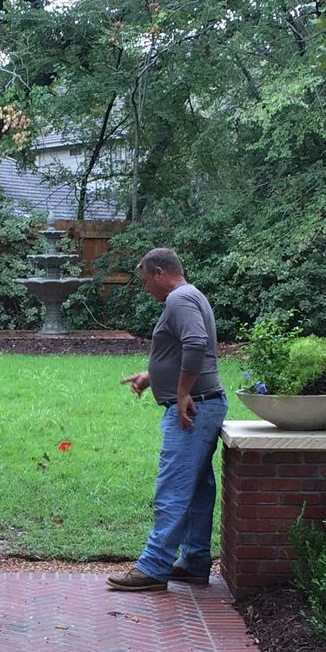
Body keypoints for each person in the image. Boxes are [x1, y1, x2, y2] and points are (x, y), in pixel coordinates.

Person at [110, 248, 227, 591]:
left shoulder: (179, 299)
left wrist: (182, 392)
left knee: (172, 488)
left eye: (146, 280)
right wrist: (153, 375)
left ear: (160, 272)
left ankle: (153, 567)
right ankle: (194, 561)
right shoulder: (190, 296)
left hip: (193, 409)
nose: (146, 288)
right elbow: (182, 349)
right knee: (197, 490)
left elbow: (196, 343)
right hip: (203, 405)